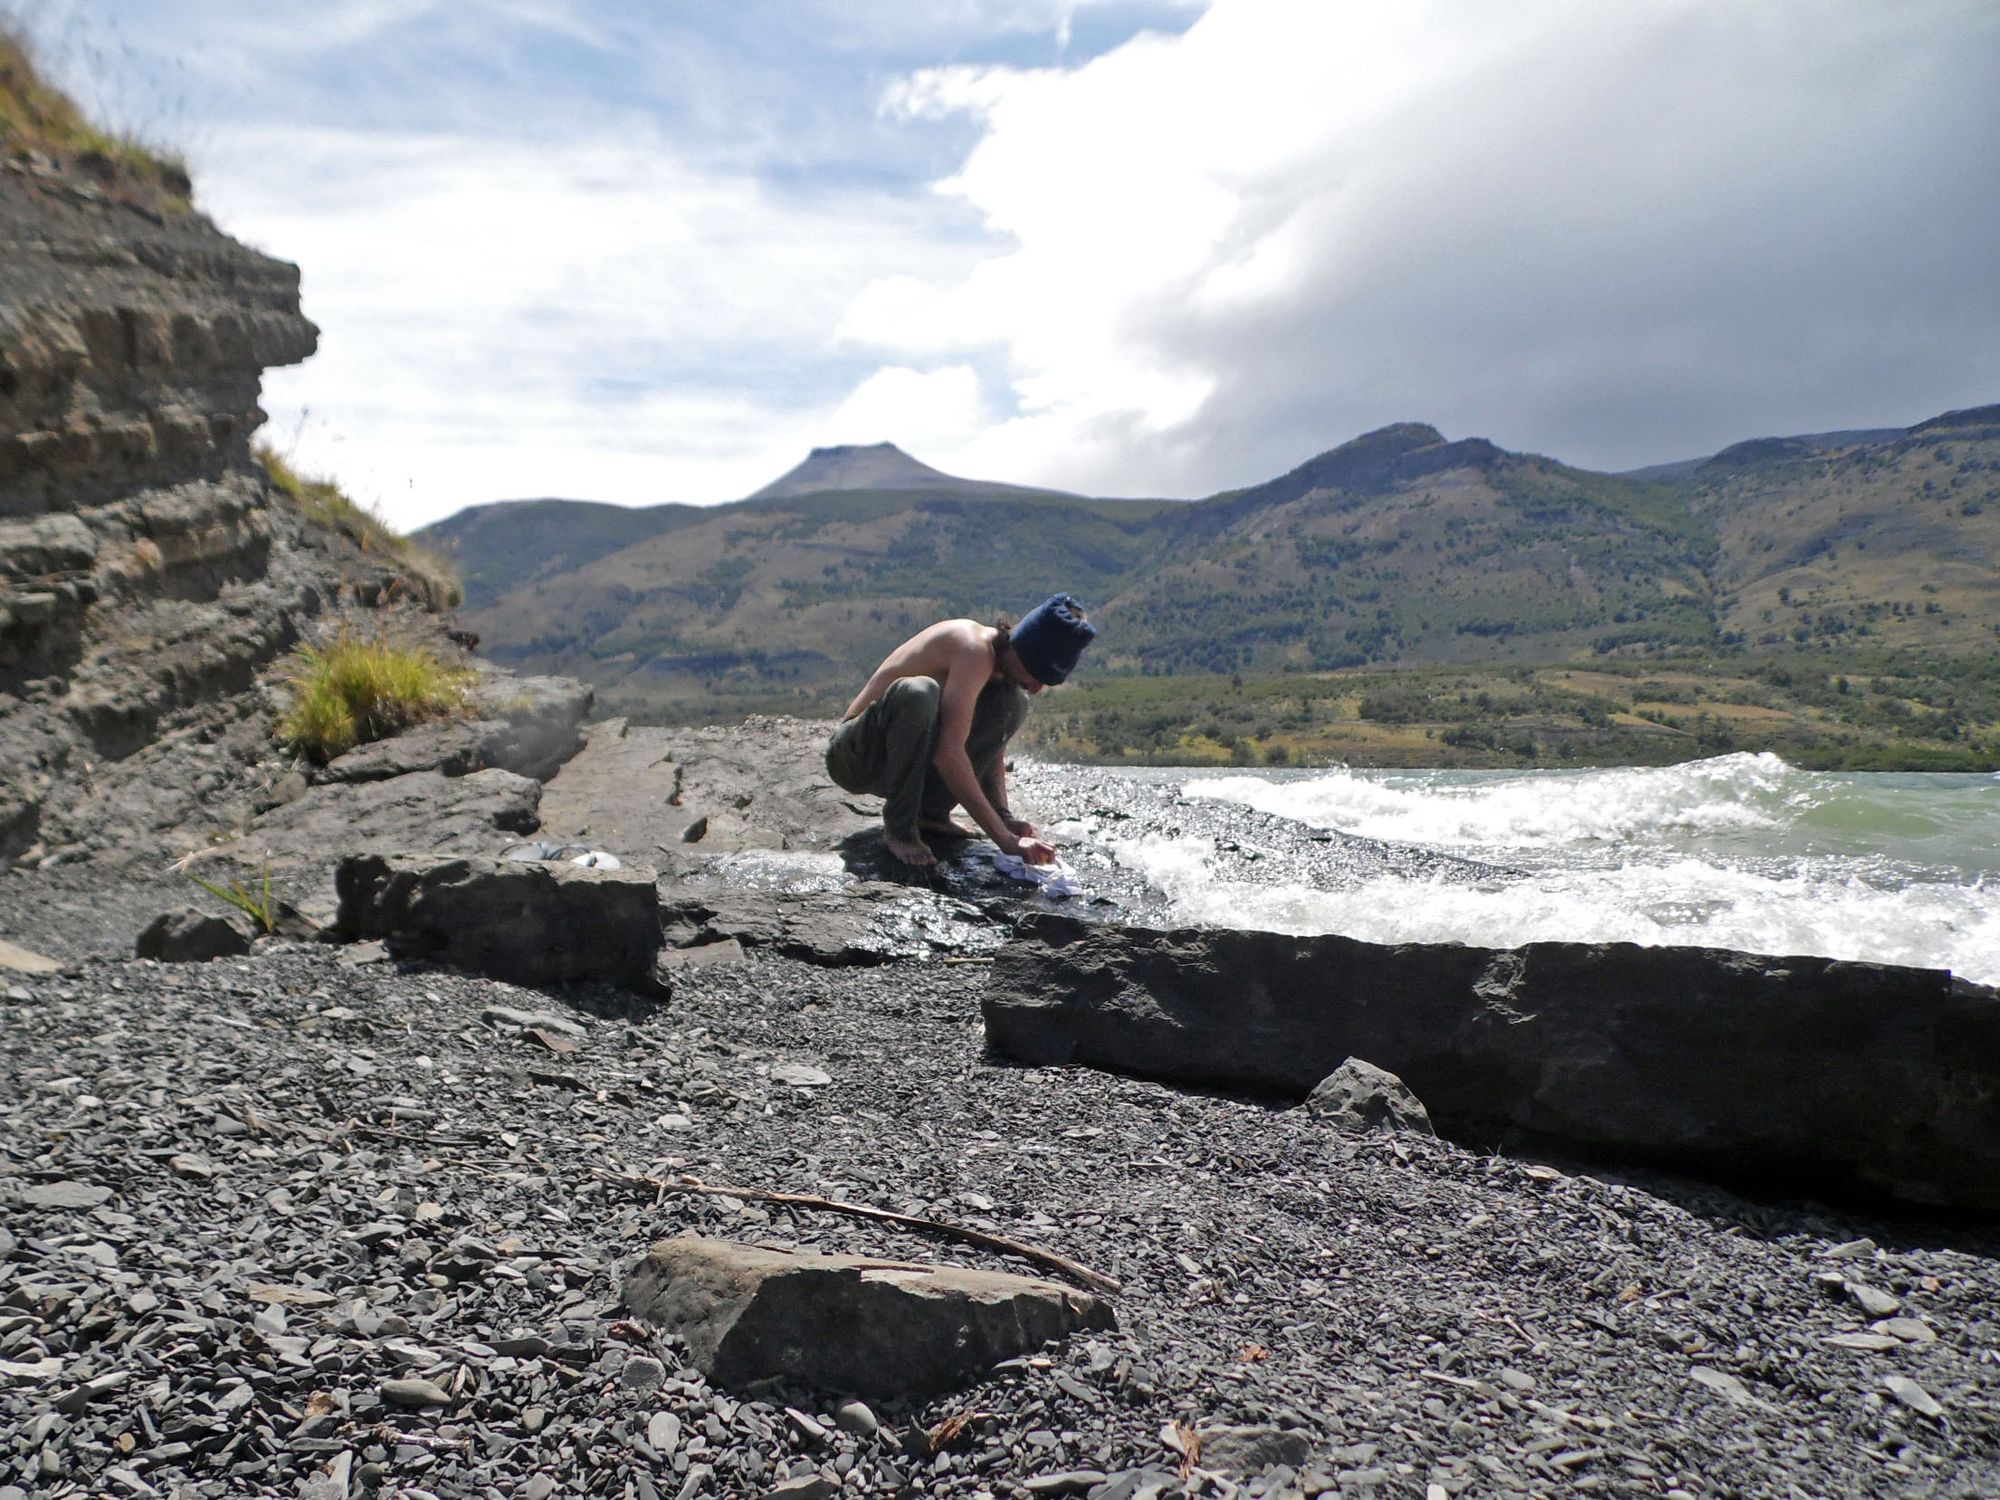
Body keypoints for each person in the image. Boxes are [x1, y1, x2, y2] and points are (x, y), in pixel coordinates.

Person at [825, 594, 1098, 868]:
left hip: (903, 762)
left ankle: (930, 814)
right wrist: (1006, 840)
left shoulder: (1002, 672)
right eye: (1037, 674)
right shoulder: (973, 648)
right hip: (856, 758)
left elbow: (993, 757)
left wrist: (1004, 816)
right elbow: (949, 752)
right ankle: (900, 829)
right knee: (918, 693)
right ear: (1021, 650)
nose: (1037, 687)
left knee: (1014, 703)